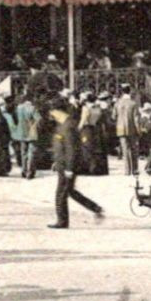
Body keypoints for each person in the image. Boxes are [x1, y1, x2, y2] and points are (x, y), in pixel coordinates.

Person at [46, 95, 102, 228]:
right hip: (63, 164)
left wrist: (69, 168)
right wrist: (57, 161)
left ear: (57, 111)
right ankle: (95, 208)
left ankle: (62, 221)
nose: (51, 114)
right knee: (69, 191)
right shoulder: (63, 125)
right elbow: (62, 147)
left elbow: (71, 148)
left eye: (52, 111)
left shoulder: (68, 125)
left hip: (67, 166)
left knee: (61, 193)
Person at [114, 86, 141, 175]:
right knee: (134, 149)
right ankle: (135, 169)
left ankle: (127, 170)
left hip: (121, 128)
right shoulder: (133, 103)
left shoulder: (117, 103)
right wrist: (138, 130)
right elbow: (136, 118)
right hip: (132, 128)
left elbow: (114, 116)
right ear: (130, 91)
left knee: (125, 150)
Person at [12, 93, 40, 179]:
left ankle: (23, 171)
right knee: (31, 153)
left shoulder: (18, 108)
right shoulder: (32, 108)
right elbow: (38, 119)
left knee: (23, 152)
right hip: (31, 132)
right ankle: (30, 172)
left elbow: (15, 118)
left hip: (21, 132)